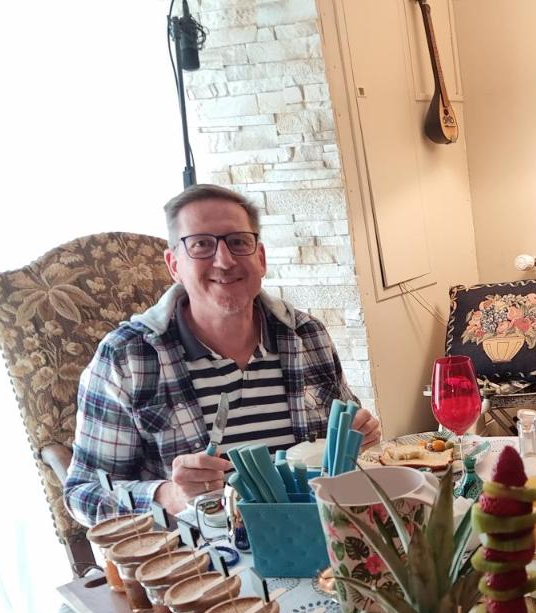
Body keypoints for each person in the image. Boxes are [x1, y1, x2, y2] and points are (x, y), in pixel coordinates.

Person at [64, 184, 380, 524]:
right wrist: (168, 495)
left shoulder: (307, 336)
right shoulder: (127, 358)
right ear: (174, 265)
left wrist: (359, 438)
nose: (224, 260)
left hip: (319, 538)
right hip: (205, 564)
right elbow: (83, 494)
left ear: (260, 258)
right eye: (201, 244)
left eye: (238, 242)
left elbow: (343, 451)